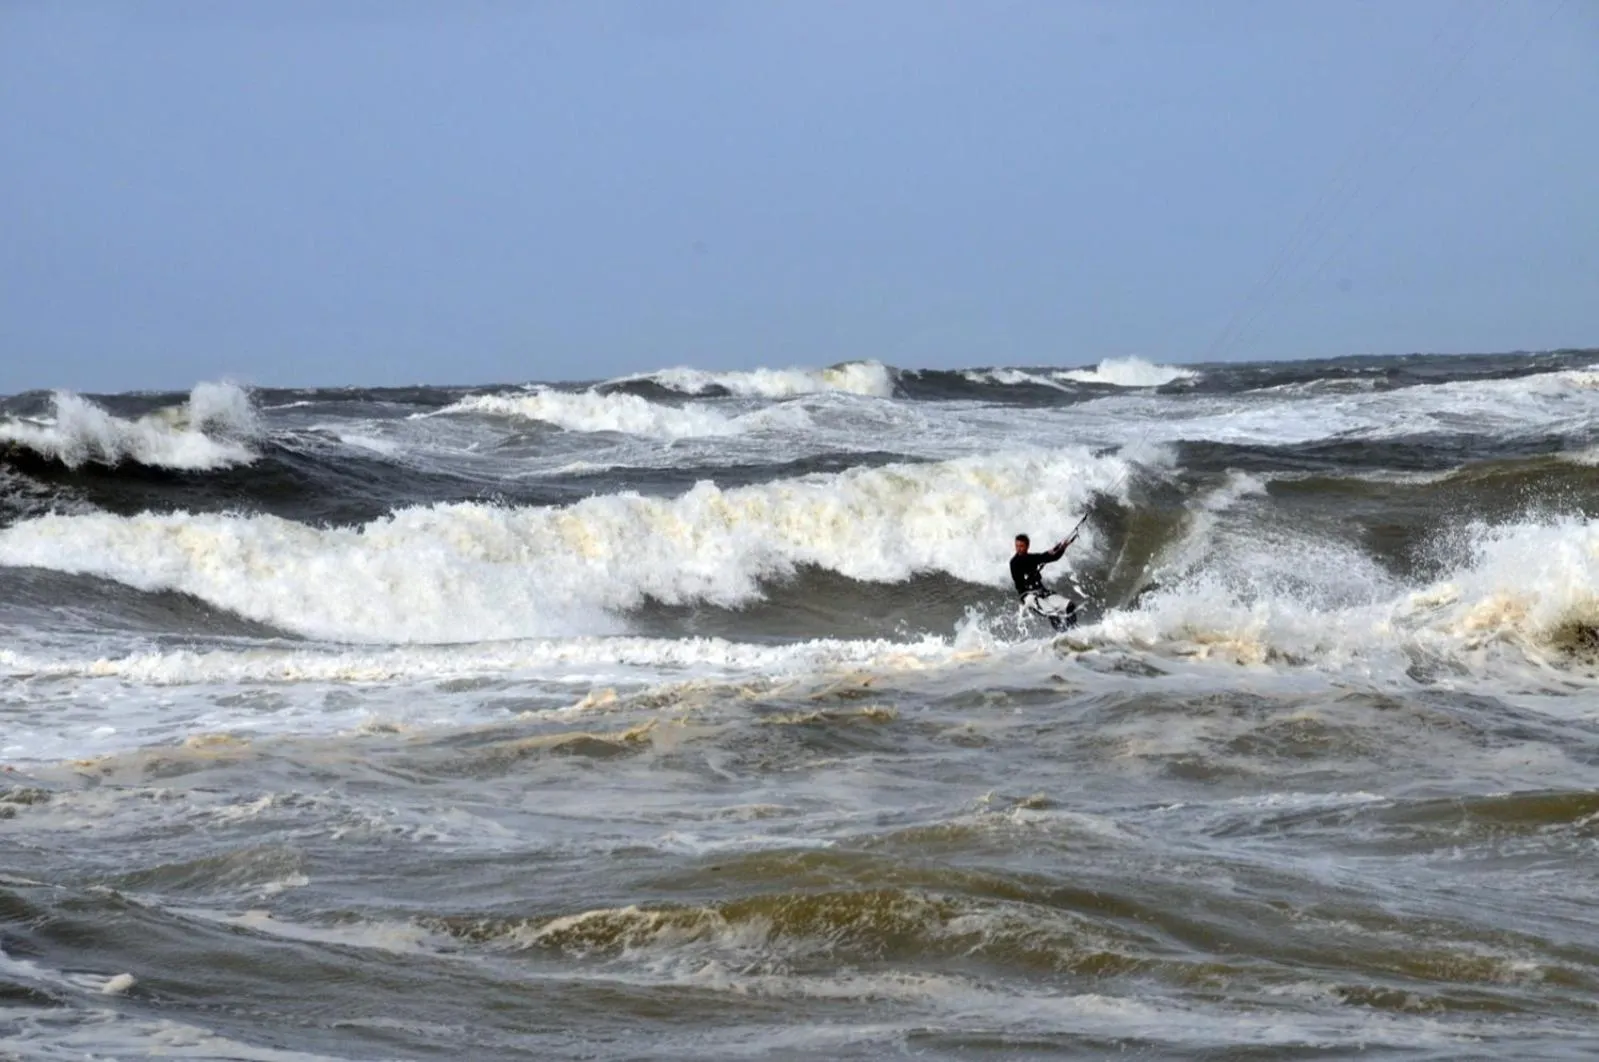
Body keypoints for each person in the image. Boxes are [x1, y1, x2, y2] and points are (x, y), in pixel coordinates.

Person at [1010, 532, 1078, 631]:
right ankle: (1063, 635)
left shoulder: (1032, 558)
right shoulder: (1014, 563)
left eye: (1021, 546)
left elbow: (1051, 557)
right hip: (1029, 597)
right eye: (1017, 546)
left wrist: (1062, 547)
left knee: (1070, 606)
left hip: (1042, 593)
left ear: (1027, 546)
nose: (1018, 548)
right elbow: (1019, 578)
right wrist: (1033, 572)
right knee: (1053, 614)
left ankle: (1074, 631)